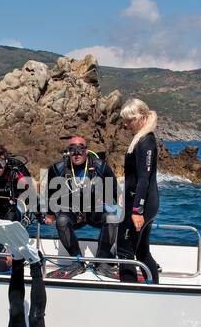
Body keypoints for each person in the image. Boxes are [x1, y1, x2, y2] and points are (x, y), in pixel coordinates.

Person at [42, 136, 121, 280]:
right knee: (62, 221)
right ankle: (77, 262)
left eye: (80, 149)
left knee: (112, 216)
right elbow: (50, 193)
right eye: (72, 149)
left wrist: (129, 211)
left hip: (94, 211)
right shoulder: (57, 168)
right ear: (68, 152)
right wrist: (49, 213)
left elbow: (116, 192)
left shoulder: (100, 166)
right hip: (72, 212)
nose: (77, 153)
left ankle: (101, 262)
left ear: (86, 150)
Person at [117, 98, 161, 284]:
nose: (126, 125)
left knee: (125, 251)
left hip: (141, 206)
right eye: (124, 120)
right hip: (141, 202)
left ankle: (129, 296)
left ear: (142, 117)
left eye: (130, 120)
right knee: (142, 250)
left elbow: (144, 178)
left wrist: (137, 211)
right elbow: (134, 177)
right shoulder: (140, 139)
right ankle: (154, 290)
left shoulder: (146, 142)